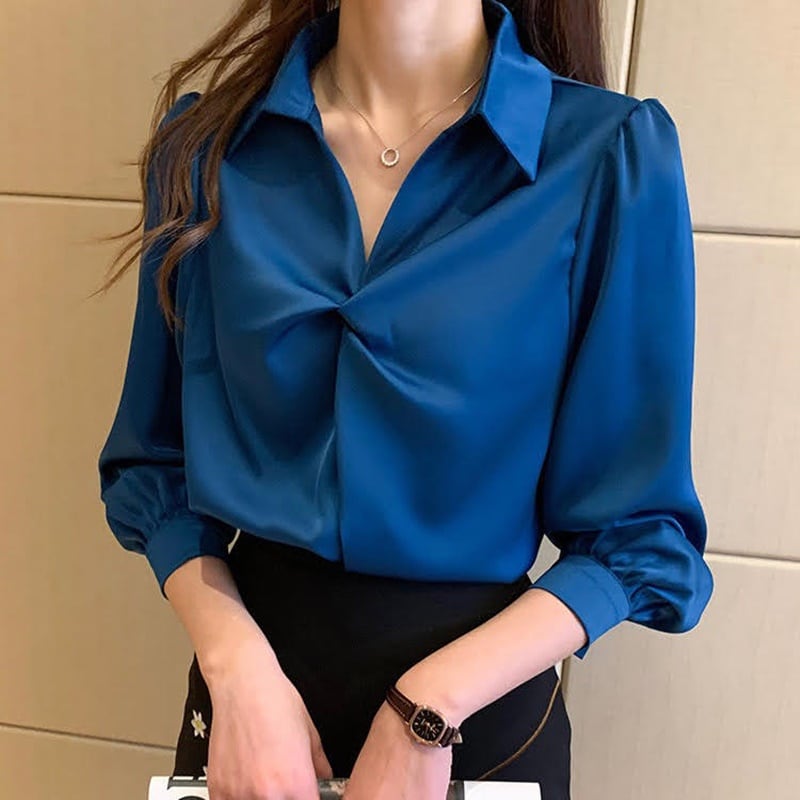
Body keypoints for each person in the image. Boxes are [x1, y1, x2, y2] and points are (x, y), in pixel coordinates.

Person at [95, 1, 715, 798]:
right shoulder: (206, 148)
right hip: (247, 707)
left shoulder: (606, 157)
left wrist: (428, 709)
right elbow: (154, 467)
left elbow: (638, 536)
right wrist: (235, 668)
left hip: (480, 719)